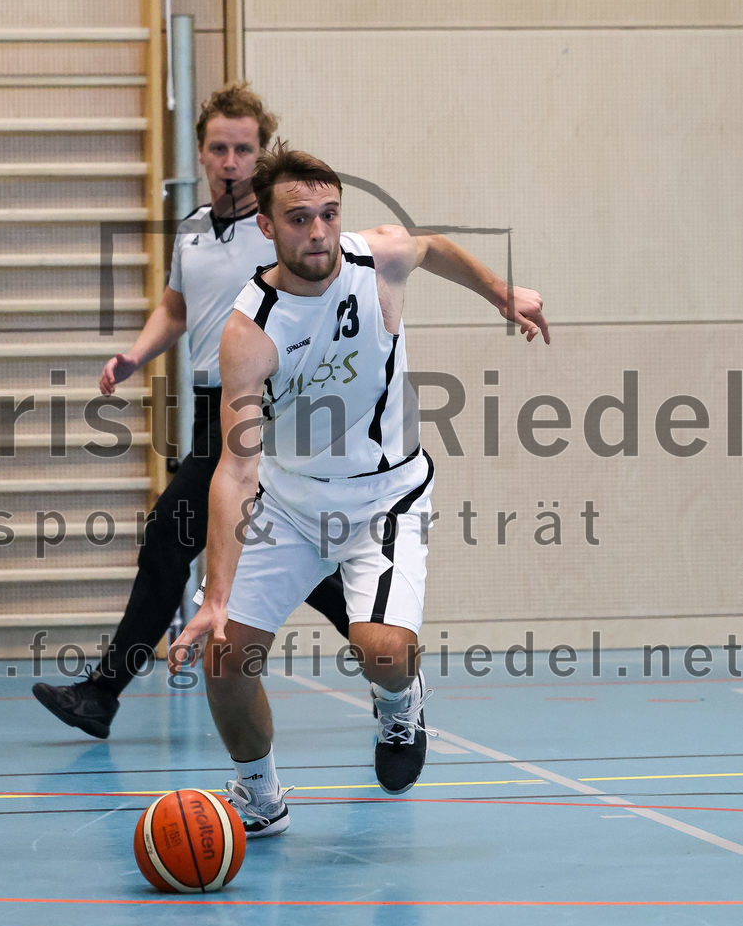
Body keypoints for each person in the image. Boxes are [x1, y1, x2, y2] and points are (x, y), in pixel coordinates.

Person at [169, 143, 549, 837]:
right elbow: (233, 470)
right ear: (267, 226)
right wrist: (215, 596)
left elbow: (431, 246)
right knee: (224, 658)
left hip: (386, 497)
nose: (316, 232)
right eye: (297, 219)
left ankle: (399, 706)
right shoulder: (248, 330)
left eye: (327, 214)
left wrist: (501, 291)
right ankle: (258, 795)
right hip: (287, 503)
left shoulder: (379, 260)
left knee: (381, 649)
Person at [32, 86, 350, 738]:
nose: (230, 161)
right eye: (218, 148)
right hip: (213, 403)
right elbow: (176, 310)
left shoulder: (282, 232)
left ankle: (101, 693)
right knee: (301, 560)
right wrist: (135, 355)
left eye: (243, 149)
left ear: (260, 156)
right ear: (201, 153)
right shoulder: (194, 231)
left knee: (166, 538)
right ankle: (388, 663)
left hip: (269, 407)